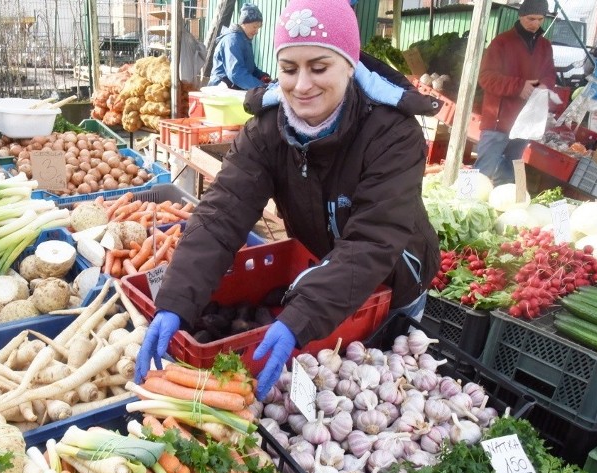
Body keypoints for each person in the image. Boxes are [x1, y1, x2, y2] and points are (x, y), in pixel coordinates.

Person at [135, 0, 439, 399]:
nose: (301, 85)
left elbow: (374, 239)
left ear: (349, 64)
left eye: (319, 67)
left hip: (389, 286)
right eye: (290, 69)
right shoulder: (267, 130)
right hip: (318, 273)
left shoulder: (392, 134)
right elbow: (221, 214)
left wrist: (301, 315)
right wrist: (176, 299)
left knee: (371, 394)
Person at [476, 0, 557, 186]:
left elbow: (549, 75)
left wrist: (543, 86)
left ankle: (500, 211)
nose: (535, 24)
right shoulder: (501, 42)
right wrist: (520, 86)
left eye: (540, 19)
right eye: (531, 19)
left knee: (508, 176)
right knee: (481, 172)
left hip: (525, 121)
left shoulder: (545, 46)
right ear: (520, 16)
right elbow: (486, 78)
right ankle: (463, 205)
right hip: (498, 120)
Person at [208, 3, 271, 90]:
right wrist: (262, 87)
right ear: (244, 23)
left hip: (234, 87)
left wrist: (262, 76)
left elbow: (250, 68)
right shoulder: (232, 40)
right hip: (221, 89)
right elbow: (236, 73)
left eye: (258, 28)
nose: (256, 31)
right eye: (254, 27)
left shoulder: (244, 40)